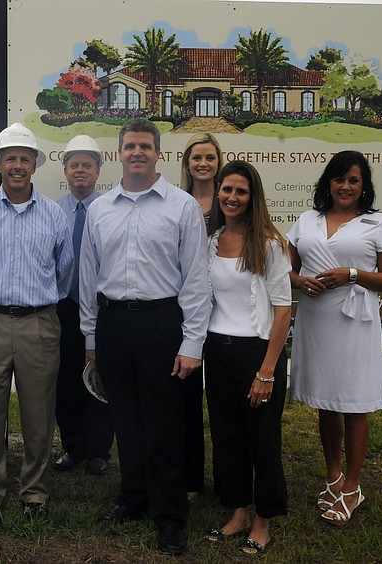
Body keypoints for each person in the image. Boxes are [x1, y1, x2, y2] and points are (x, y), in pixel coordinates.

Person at [80, 118, 210, 556]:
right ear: (120, 153)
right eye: (130, 145)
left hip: (162, 323)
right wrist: (90, 336)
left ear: (159, 153)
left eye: (145, 146)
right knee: (126, 420)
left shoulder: (181, 206)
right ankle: (132, 498)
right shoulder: (100, 209)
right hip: (114, 323)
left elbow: (195, 278)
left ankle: (170, 514)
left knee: (165, 422)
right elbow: (87, 276)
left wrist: (192, 343)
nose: (138, 152)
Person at [0, 123, 73, 527]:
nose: (18, 165)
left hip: (38, 323)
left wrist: (35, 304)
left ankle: (34, 492)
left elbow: (64, 273)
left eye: (25, 158)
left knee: (38, 413)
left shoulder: (54, 215)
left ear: (35, 165)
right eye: (10, 158)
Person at [287, 151, 382, 526]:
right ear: (328, 183)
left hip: (354, 322)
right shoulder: (307, 220)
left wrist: (351, 273)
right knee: (326, 401)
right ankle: (333, 476)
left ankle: (353, 486)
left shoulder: (378, 223)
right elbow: (286, 270)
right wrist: (300, 281)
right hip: (316, 319)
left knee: (353, 402)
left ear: (363, 185)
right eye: (339, 179)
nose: (345, 186)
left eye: (353, 180)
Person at [203, 161, 291, 555]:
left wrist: (267, 371)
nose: (232, 198)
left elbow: (283, 310)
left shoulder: (269, 244)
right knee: (227, 437)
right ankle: (238, 512)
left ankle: (263, 520)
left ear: (252, 197)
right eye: (226, 190)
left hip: (257, 354)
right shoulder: (212, 239)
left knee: (263, 440)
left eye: (240, 191)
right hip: (217, 352)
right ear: (218, 191)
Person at [52, 134, 113, 477]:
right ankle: (72, 447)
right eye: (73, 164)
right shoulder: (54, 210)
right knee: (65, 380)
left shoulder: (109, 209)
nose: (79, 171)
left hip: (101, 307)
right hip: (63, 306)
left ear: (97, 170)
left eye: (86, 165)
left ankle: (99, 451)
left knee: (100, 378)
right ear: (65, 170)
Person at [178, 132, 224, 501]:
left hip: (227, 312)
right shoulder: (177, 203)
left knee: (225, 402)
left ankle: (229, 483)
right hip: (187, 313)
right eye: (197, 158)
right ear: (187, 163)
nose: (203, 163)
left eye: (210, 157)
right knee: (186, 401)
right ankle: (190, 479)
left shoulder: (230, 200)